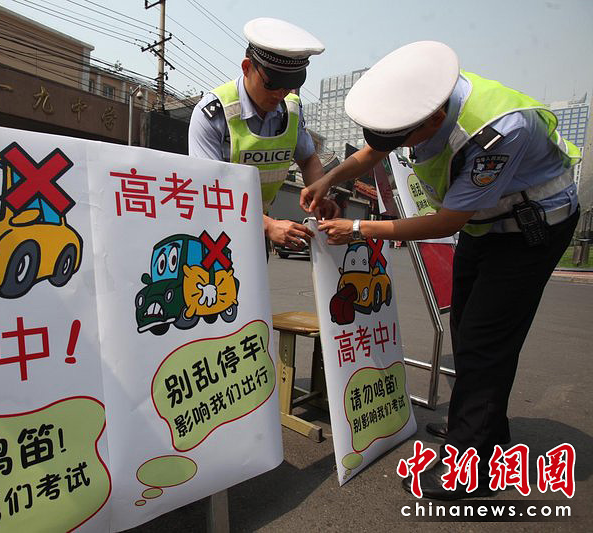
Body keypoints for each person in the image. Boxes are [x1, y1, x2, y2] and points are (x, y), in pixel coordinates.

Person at [300, 41, 581, 500]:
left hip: (531, 230)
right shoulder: (420, 102)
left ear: (433, 119)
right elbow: (374, 151)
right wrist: (328, 179)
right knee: (466, 329)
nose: (398, 147)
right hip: (486, 223)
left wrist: (358, 227)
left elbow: (448, 222)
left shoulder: (497, 132)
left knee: (487, 339)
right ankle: (482, 430)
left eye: (403, 139)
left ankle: (473, 470)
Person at [188, 17, 335, 253]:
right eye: (272, 84)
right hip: (211, 234)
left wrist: (319, 196)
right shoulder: (213, 113)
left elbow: (308, 159)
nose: (280, 93)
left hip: (256, 231)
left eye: (289, 85)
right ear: (247, 68)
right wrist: (268, 226)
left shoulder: (291, 109)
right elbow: (209, 189)